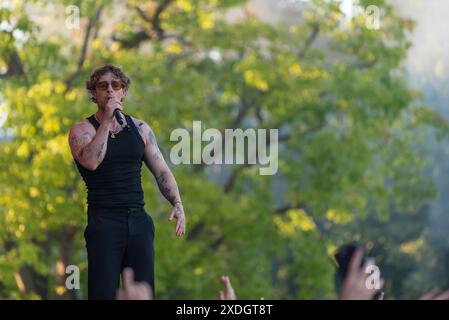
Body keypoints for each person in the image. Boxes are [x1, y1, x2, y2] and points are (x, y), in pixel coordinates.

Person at [68, 64, 186, 300]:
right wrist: (107, 121)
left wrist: (177, 202)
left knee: (143, 293)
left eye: (116, 85)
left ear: (124, 92)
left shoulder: (140, 129)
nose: (110, 90)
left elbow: (161, 169)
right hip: (104, 223)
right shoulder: (82, 130)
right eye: (103, 86)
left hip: (138, 220)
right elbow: (91, 161)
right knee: (104, 294)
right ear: (94, 93)